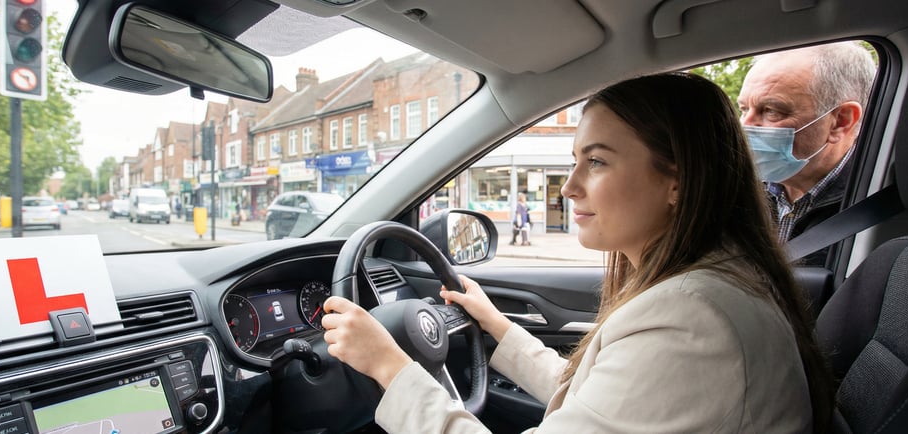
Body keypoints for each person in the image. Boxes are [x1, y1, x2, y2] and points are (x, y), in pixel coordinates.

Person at [320, 72, 834, 433]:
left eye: (597, 162)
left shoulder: (693, 320)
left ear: (677, 180)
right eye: (575, 161)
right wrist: (498, 327)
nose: (568, 188)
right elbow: (599, 398)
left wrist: (390, 367)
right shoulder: (714, 283)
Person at [738, 41, 876, 265]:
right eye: (744, 109)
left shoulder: (870, 206)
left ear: (840, 122)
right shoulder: (736, 195)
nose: (744, 127)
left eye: (771, 111)